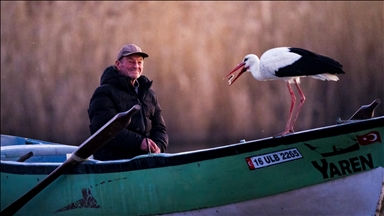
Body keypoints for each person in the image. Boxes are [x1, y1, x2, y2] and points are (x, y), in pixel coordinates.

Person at [88, 44, 168, 160]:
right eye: (131, 61)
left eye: (139, 62)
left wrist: (158, 147)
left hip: (147, 162)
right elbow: (105, 130)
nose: (136, 66)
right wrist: (139, 143)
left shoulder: (149, 94)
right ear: (118, 64)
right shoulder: (103, 93)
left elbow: (160, 128)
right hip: (113, 164)